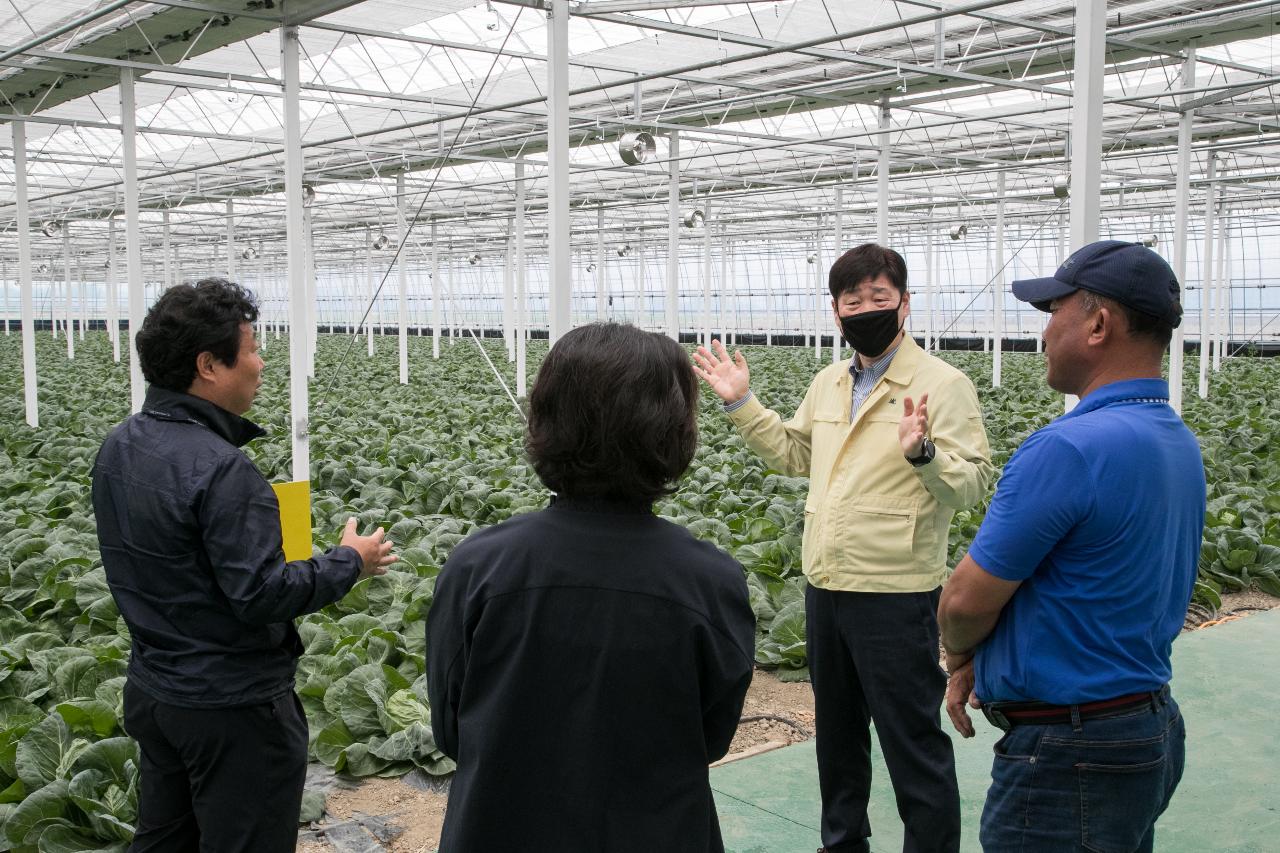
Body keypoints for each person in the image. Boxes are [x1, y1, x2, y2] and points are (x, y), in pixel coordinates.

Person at [694, 243, 993, 853]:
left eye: (879, 298)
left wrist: (924, 454)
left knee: (912, 741)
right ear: (835, 312)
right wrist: (741, 403)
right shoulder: (831, 381)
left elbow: (973, 484)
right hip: (825, 586)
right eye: (851, 300)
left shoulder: (943, 384)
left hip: (895, 591)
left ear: (905, 304)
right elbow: (796, 453)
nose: (865, 309)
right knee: (837, 742)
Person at [92, 278, 396, 852]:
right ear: (210, 365)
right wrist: (348, 562)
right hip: (231, 709)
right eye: (252, 349)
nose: (260, 364)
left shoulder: (120, 444)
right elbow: (260, 594)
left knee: (163, 840)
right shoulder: (223, 469)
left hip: (154, 691)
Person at [427, 322, 755, 853]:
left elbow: (450, 728)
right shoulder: (711, 580)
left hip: (500, 828)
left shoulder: (477, 567)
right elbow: (712, 736)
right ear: (675, 433)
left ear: (544, 421)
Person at [938, 240, 1205, 853]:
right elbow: (1100, 587)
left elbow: (964, 601)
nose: (1043, 334)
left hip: (1071, 752)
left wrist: (959, 652)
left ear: (1098, 323)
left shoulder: (1067, 448)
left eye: (1052, 312)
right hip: (1145, 729)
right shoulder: (1176, 440)